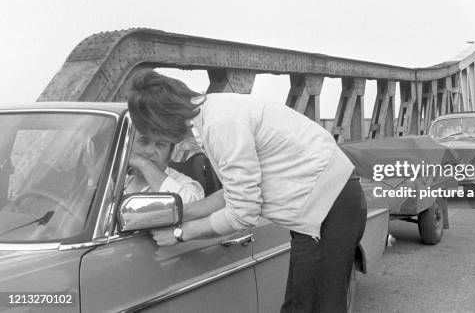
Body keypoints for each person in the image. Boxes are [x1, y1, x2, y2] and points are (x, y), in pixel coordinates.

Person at [127, 69, 366, 313]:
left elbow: (243, 213)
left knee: (313, 308)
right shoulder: (215, 112)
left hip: (328, 208)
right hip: (324, 205)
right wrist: (181, 212)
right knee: (298, 306)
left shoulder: (220, 125)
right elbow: (233, 192)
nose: (158, 137)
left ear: (161, 119)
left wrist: (180, 233)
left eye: (154, 130)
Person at [125, 129, 205, 204]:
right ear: (129, 144)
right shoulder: (115, 177)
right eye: (144, 141)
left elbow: (190, 205)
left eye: (160, 145)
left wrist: (144, 165)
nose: (150, 151)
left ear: (170, 154)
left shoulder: (185, 185)